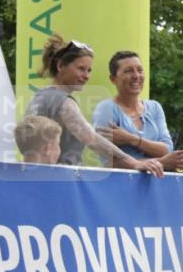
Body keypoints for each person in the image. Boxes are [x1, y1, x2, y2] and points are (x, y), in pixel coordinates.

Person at [24, 35, 163, 176]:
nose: (86, 76)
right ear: (60, 66)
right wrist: (135, 162)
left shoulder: (39, 96)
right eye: (81, 68)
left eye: (89, 70)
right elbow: (92, 138)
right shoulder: (63, 101)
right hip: (61, 181)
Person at [92, 51, 183, 172]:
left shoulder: (154, 107)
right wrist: (162, 162)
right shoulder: (106, 109)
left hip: (155, 184)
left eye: (139, 70)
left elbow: (166, 149)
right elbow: (109, 161)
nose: (136, 76)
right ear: (113, 79)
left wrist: (131, 139)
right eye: (128, 71)